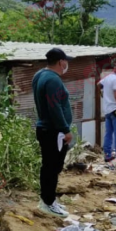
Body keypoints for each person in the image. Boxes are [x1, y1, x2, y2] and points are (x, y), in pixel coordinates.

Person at [32, 48, 74, 218]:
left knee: (48, 166)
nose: (67, 64)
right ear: (60, 62)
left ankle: (48, 199)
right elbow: (54, 107)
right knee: (52, 167)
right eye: (66, 61)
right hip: (53, 131)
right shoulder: (53, 80)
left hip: (45, 128)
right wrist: (65, 129)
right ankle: (48, 203)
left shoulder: (40, 75)